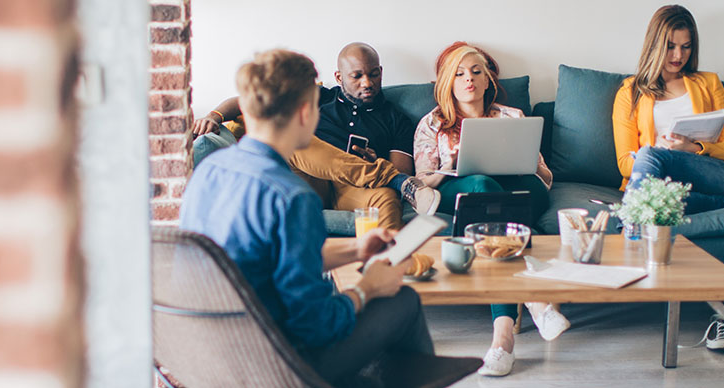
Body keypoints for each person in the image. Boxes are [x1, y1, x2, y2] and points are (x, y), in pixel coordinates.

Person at [180, 49, 435, 386]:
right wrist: (366, 290)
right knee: (402, 300)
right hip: (279, 364)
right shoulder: (292, 197)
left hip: (213, 357)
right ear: (306, 112)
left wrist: (356, 250)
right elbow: (316, 325)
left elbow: (268, 258)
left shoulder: (209, 170)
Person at [612, 4, 724, 352]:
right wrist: (661, 152)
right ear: (654, 44)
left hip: (712, 173)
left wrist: (692, 147)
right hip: (663, 186)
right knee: (649, 160)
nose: (678, 55)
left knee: (649, 162)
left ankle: (629, 226)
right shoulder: (630, 93)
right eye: (670, 46)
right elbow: (624, 163)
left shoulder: (707, 83)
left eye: (686, 46)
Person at [413, 42, 567, 377]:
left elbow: (544, 175)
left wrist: (522, 161)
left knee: (504, 202)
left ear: (487, 81)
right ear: (447, 83)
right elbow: (421, 182)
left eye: (476, 72)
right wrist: (450, 165)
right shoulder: (432, 124)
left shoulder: (512, 117)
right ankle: (526, 314)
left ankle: (504, 343)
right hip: (463, 189)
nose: (468, 79)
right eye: (459, 73)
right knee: (483, 187)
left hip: (523, 189)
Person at [190, 42, 441, 230]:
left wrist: (375, 159)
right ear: (339, 77)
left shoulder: (396, 119)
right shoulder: (319, 97)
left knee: (385, 197)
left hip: (351, 188)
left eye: (374, 74)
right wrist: (214, 116)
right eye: (357, 76)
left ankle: (389, 264)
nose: (367, 82)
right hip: (308, 180)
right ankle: (394, 180)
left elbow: (401, 167)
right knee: (300, 143)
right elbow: (246, 101)